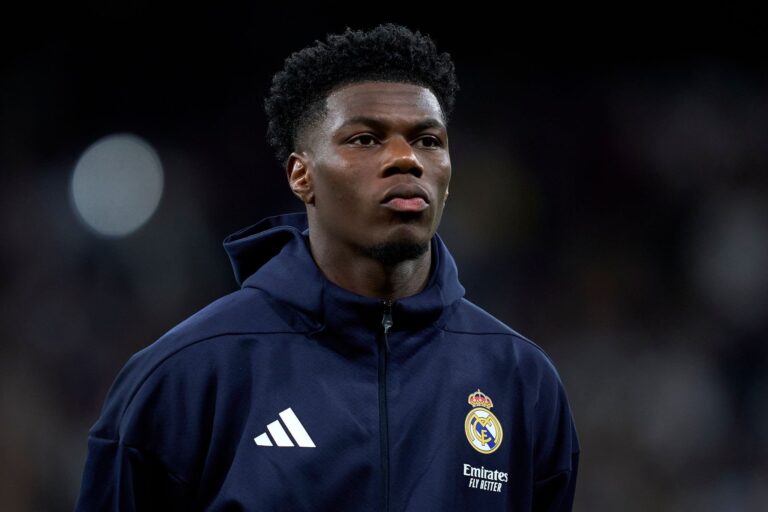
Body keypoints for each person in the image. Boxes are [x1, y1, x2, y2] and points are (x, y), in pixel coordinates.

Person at [75, 23, 579, 511]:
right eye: (365, 139)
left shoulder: (521, 379)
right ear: (302, 175)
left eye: (428, 140)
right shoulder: (188, 374)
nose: (406, 159)